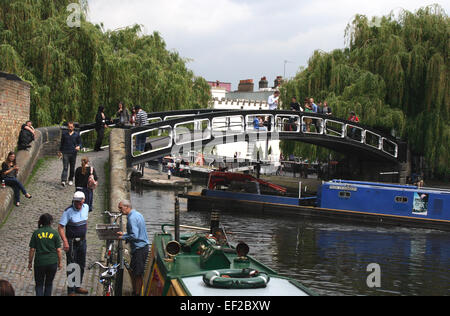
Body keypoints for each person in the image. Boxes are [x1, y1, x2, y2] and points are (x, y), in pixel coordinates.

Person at [58, 191, 90, 296]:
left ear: (83, 201)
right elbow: (61, 227)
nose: (78, 204)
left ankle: (78, 286)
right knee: (72, 265)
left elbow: (86, 221)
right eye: (76, 202)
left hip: (82, 240)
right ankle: (71, 290)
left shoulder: (86, 207)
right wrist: (65, 241)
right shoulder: (68, 211)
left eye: (80, 202)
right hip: (71, 242)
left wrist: (85, 232)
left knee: (81, 264)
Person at [117, 200, 149, 296]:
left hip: (139, 249)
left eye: (121, 208)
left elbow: (134, 236)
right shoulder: (137, 214)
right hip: (143, 247)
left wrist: (122, 237)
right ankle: (135, 291)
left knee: (137, 273)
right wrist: (125, 234)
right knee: (133, 271)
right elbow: (136, 232)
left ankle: (137, 293)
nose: (119, 210)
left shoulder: (131, 218)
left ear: (127, 207)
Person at [28, 213, 62, 296]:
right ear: (51, 222)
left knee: (39, 285)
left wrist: (30, 262)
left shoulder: (36, 233)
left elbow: (32, 249)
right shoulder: (55, 233)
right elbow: (58, 250)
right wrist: (60, 262)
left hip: (40, 263)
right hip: (52, 263)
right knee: (49, 284)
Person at [58, 121, 82, 187]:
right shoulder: (64, 134)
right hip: (65, 152)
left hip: (73, 153)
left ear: (73, 127)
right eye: (69, 127)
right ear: (67, 127)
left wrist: (79, 146)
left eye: (71, 127)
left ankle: (70, 179)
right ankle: (63, 180)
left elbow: (80, 143)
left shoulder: (76, 135)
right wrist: (60, 151)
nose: (70, 128)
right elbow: (62, 143)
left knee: (72, 167)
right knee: (65, 167)